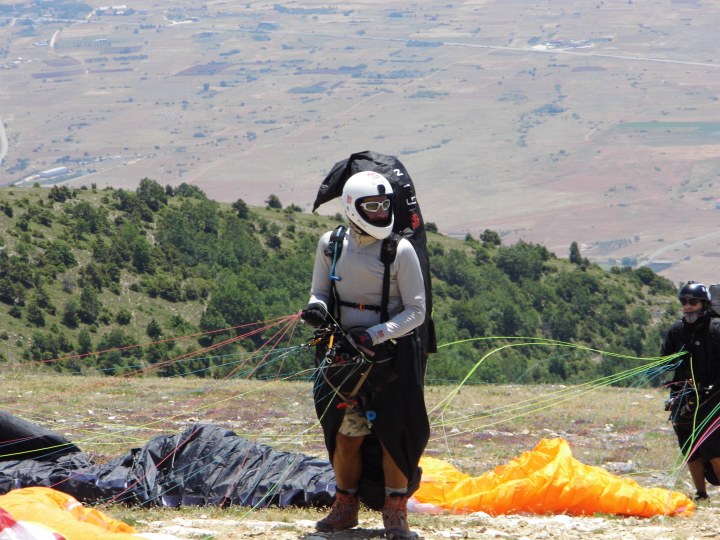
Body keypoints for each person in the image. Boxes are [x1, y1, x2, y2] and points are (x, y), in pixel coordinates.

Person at [300, 170, 429, 539]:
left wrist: (375, 334)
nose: (381, 212)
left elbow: (416, 311)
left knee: (393, 436)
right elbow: (320, 292)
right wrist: (316, 309)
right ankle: (345, 506)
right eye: (372, 206)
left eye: (385, 205)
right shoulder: (330, 245)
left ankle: (395, 512)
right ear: (352, 207)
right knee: (346, 433)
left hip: (393, 359)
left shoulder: (399, 250)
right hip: (344, 357)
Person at [662, 281, 720, 500]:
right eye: (683, 301)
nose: (687, 306)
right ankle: (700, 493)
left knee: (713, 447)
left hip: (713, 397)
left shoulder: (716, 328)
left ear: (703, 303)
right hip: (684, 394)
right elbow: (665, 359)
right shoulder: (677, 330)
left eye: (692, 301)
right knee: (690, 449)